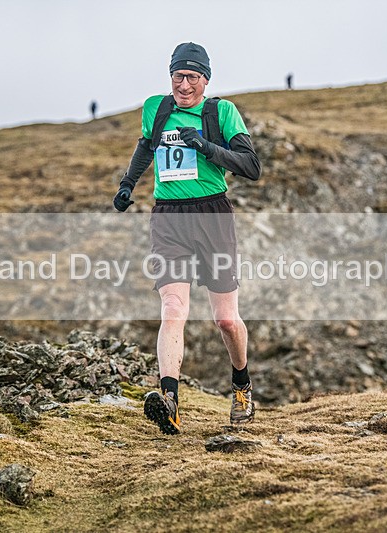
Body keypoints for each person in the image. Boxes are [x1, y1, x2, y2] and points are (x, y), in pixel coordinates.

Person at [113, 42, 262, 434]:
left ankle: (242, 385)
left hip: (213, 215)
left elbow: (251, 167)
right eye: (177, 76)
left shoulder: (221, 112)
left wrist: (207, 147)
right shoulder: (156, 109)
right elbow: (146, 146)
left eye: (191, 77)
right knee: (173, 308)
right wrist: (129, 184)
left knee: (226, 320)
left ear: (205, 80)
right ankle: (169, 400)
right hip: (169, 219)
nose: (183, 84)